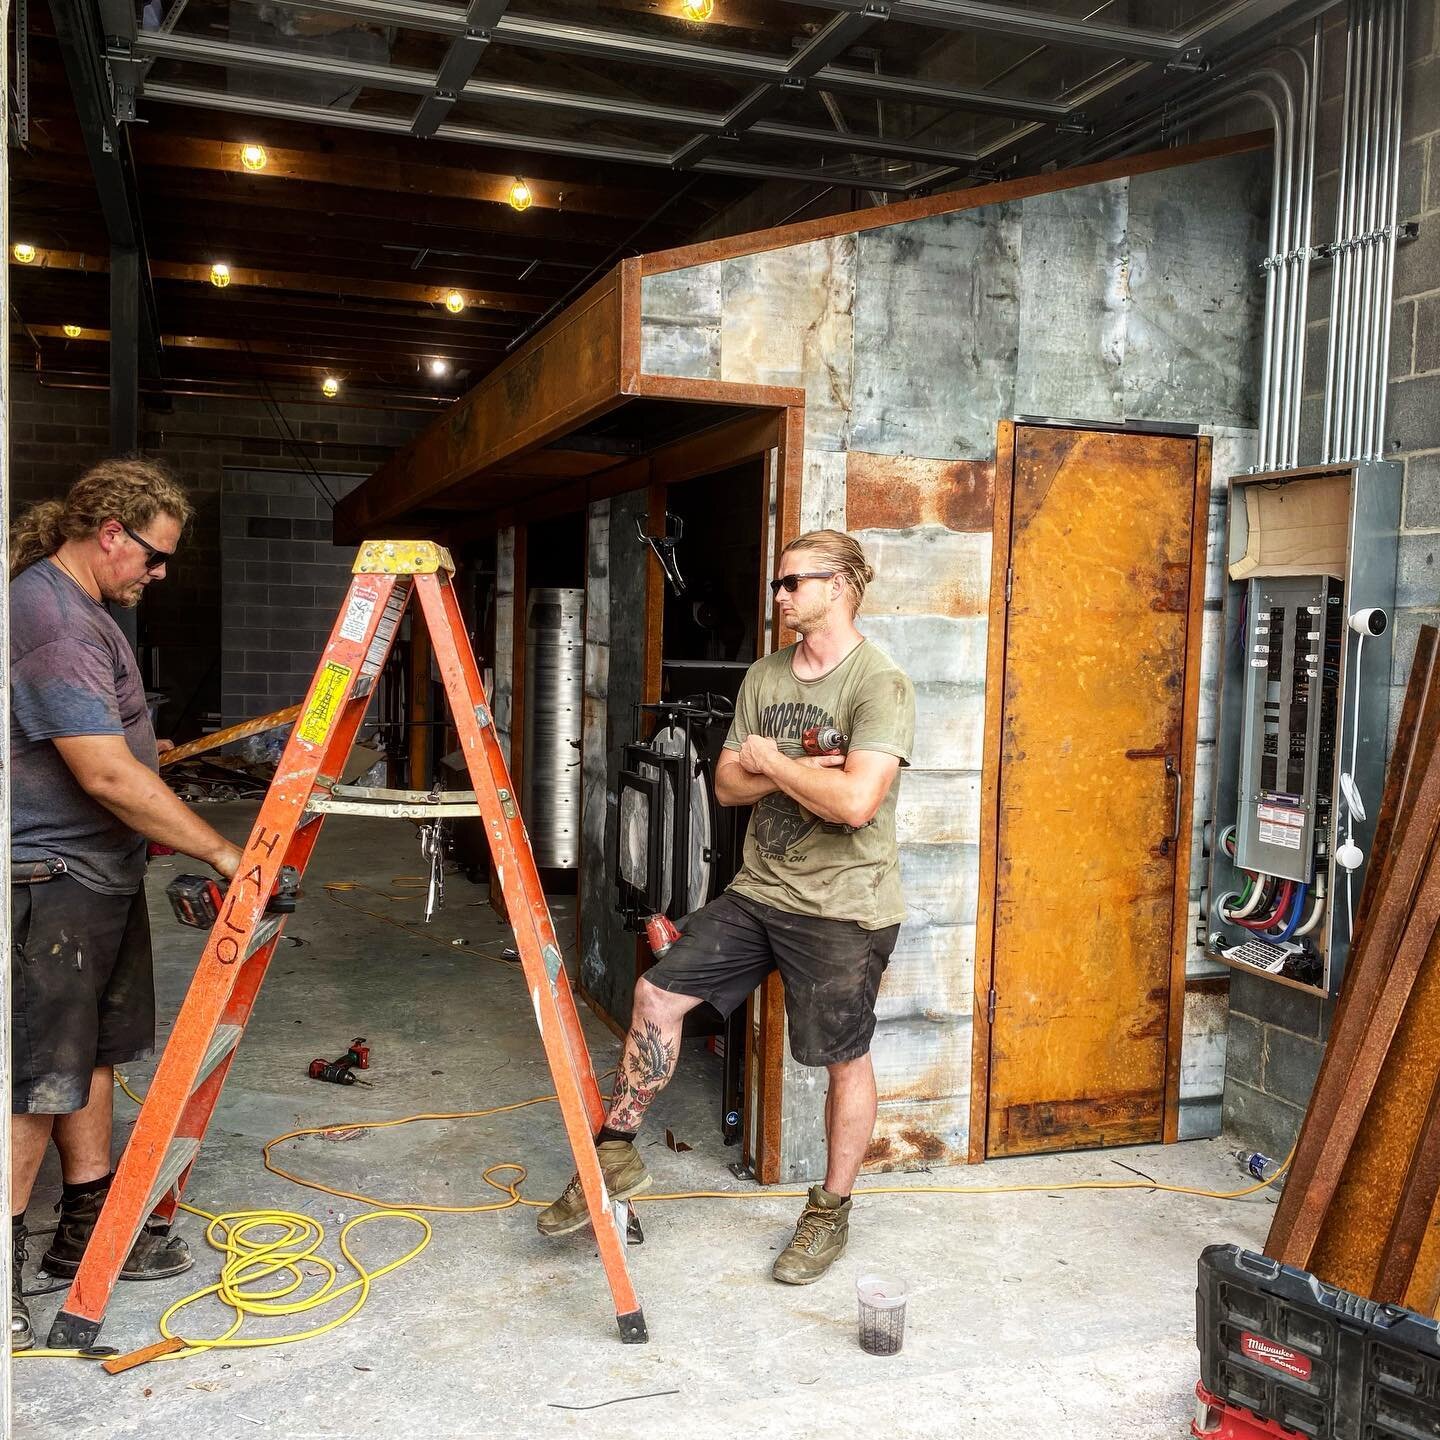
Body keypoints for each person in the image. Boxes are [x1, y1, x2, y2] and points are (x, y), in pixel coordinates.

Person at [538, 529, 915, 1285]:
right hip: (757, 892)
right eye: (778, 584)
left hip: (844, 907)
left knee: (842, 1059)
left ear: (838, 586)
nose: (778, 597)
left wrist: (769, 761)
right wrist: (792, 767)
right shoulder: (764, 677)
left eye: (791, 584)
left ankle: (830, 1212)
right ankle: (614, 1152)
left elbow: (855, 802)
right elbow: (726, 786)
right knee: (655, 992)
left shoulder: (878, 684)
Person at [8, 459, 244, 1351]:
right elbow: (101, 772)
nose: (159, 573)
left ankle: (87, 1230)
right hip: (50, 879)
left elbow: (109, 746)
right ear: (111, 534)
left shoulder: (84, 614)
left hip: (95, 874)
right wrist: (224, 849)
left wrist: (151, 750)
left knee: (96, 1055)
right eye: (153, 556)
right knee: (38, 1080)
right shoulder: (53, 620)